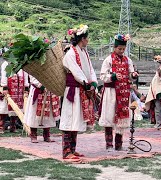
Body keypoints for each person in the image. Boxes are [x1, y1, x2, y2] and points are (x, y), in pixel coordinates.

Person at [59, 24, 97, 160]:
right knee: (69, 119)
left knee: (76, 119)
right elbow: (76, 72)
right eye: (87, 38)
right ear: (82, 39)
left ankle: (73, 149)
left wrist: (93, 82)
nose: (88, 41)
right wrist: (86, 83)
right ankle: (66, 151)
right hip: (73, 91)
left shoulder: (84, 52)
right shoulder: (70, 53)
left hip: (82, 88)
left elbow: (90, 69)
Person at [99, 34, 138, 151]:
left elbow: (131, 74)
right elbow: (102, 76)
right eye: (119, 49)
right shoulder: (108, 59)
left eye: (123, 49)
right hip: (111, 92)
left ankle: (119, 144)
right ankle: (109, 144)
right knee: (109, 116)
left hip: (124, 93)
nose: (121, 51)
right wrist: (113, 76)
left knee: (121, 119)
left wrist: (133, 75)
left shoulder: (128, 60)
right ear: (114, 48)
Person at [24, 75, 60, 143]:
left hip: (49, 89)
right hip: (37, 89)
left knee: (48, 113)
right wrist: (40, 85)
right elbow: (32, 76)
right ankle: (33, 134)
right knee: (34, 113)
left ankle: (46, 135)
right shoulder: (33, 64)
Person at [1, 60, 29, 133]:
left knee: (17, 108)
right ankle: (1, 127)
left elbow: (25, 75)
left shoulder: (22, 63)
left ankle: (13, 126)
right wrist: (4, 87)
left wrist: (26, 88)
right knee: (4, 108)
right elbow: (4, 75)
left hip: (19, 89)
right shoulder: (6, 63)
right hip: (9, 89)